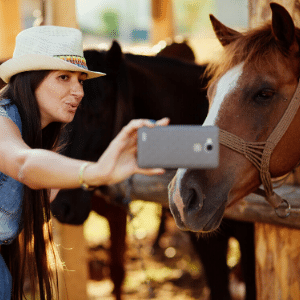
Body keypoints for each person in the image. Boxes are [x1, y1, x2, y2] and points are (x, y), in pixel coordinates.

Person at [0, 25, 169, 300]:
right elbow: (23, 165)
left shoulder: (41, 140)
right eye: (63, 77)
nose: (78, 91)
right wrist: (97, 171)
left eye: (80, 79)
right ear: (29, 79)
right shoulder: (1, 122)